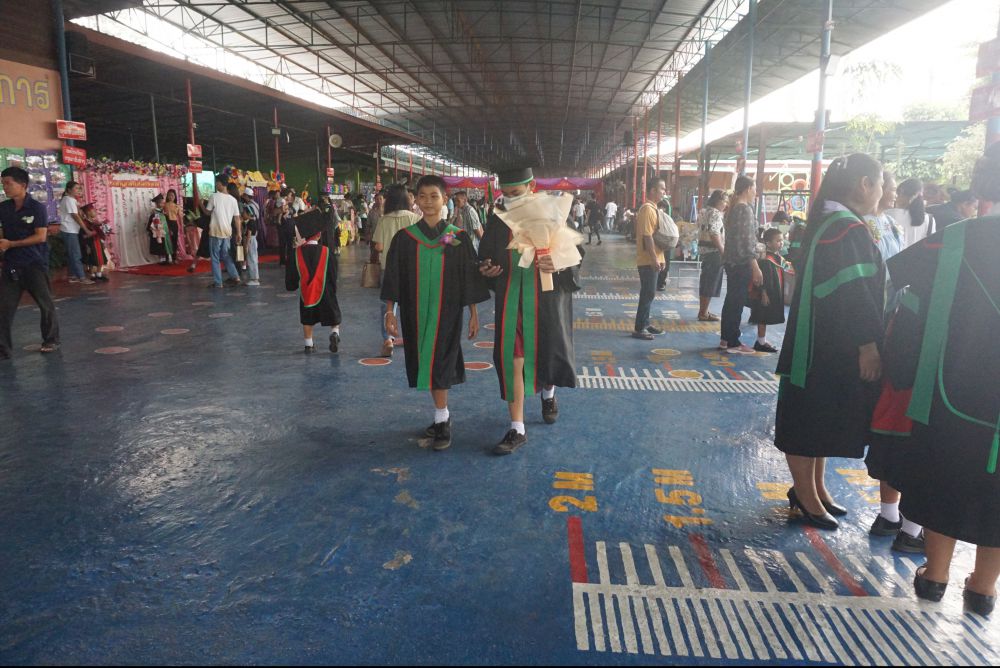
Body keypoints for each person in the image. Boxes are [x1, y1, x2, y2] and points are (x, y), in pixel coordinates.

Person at [872, 143, 1000, 616]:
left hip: (951, 390)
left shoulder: (955, 239)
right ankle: (983, 588)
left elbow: (901, 282)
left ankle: (936, 576)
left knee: (945, 478)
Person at [774, 153, 885, 531]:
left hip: (823, 339)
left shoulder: (831, 223)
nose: (882, 192)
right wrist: (867, 344)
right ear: (864, 184)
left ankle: (816, 488)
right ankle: (804, 494)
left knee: (819, 416)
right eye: (879, 184)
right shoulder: (845, 229)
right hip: (825, 343)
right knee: (808, 419)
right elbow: (855, 292)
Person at [381, 175, 489, 452]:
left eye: (434, 196)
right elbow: (393, 277)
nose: (428, 202)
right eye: (423, 196)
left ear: (445, 200)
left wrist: (474, 313)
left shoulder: (454, 238)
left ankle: (442, 419)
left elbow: (467, 275)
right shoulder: (406, 239)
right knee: (425, 360)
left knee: (441, 359)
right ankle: (442, 415)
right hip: (414, 312)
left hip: (447, 311)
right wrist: (389, 312)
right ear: (415, 200)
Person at [478, 167, 582, 455]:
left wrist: (559, 264)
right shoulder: (499, 218)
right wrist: (486, 268)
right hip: (511, 299)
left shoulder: (553, 212)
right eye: (505, 193)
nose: (510, 198)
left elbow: (575, 256)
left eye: (515, 192)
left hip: (546, 299)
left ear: (532, 185)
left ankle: (548, 393)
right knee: (513, 358)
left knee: (547, 349)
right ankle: (517, 427)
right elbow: (485, 255)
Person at [0, 166, 60, 357]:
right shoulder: (4, 208)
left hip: (34, 263)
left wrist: (11, 244)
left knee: (45, 303)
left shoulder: (36, 208)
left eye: (8, 183)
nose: (5, 187)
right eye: (3, 184)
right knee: (4, 307)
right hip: (11, 265)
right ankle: (3, 348)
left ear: (23, 185)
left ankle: (51, 339)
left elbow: (40, 236)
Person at [373, 185, 421, 358]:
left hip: (389, 268)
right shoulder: (415, 218)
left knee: (387, 305)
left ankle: (388, 339)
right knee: (411, 303)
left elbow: (379, 246)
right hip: (411, 268)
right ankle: (413, 337)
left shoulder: (383, 220)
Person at [285, 209, 341, 354]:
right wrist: (333, 289)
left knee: (307, 318)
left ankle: (309, 344)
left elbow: (291, 279)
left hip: (307, 293)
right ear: (319, 234)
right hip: (326, 291)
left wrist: (292, 285)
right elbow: (333, 274)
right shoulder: (327, 252)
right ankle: (335, 333)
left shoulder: (296, 253)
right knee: (333, 315)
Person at [720, 176, 763, 354]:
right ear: (747, 189)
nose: (755, 193)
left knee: (731, 300)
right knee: (736, 302)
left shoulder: (733, 208)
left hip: (731, 261)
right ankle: (733, 342)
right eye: (754, 188)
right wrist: (756, 267)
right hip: (741, 262)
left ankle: (726, 338)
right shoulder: (744, 209)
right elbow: (747, 242)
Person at [632, 181, 667, 340]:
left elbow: (656, 236)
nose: (664, 192)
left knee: (650, 293)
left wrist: (661, 257)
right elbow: (647, 236)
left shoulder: (654, 209)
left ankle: (645, 324)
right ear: (653, 190)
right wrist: (654, 258)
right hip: (647, 260)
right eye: (662, 188)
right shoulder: (647, 209)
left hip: (653, 258)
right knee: (648, 293)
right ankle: (640, 328)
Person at [747, 228, 790, 353]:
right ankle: (760, 342)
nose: (781, 243)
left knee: (765, 317)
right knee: (762, 317)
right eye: (778, 241)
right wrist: (764, 293)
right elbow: (762, 279)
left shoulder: (777, 257)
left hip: (772, 292)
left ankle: (761, 341)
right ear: (768, 243)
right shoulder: (766, 260)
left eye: (782, 240)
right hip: (765, 294)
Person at [203, 177, 242, 288]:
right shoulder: (233, 200)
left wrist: (201, 204)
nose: (216, 185)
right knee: (226, 255)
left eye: (217, 183)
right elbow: (237, 218)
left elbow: (207, 212)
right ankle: (235, 276)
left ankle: (218, 282)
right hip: (227, 232)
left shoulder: (214, 196)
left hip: (215, 231)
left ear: (220, 184)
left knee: (215, 257)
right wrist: (238, 233)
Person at [696, 189, 727, 322]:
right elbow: (714, 233)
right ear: (719, 201)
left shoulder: (704, 211)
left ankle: (704, 311)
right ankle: (703, 313)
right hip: (714, 252)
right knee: (710, 283)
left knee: (706, 282)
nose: (726, 204)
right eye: (725, 201)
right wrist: (722, 251)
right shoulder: (715, 213)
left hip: (705, 251)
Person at [58, 180, 93, 284]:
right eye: (76, 188)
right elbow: (75, 216)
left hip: (70, 230)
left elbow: (78, 214)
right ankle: (81, 277)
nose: (79, 190)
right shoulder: (69, 200)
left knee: (72, 254)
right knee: (76, 254)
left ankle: (72, 276)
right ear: (69, 190)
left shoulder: (70, 200)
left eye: (80, 189)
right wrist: (86, 229)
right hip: (69, 230)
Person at [887, 178, 935, 249]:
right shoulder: (930, 220)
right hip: (917, 256)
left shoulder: (887, 215)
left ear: (901, 192)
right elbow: (931, 246)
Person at [79, 203, 110, 282]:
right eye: (93, 210)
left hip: (98, 243)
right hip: (90, 244)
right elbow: (83, 236)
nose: (95, 212)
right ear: (88, 212)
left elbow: (99, 233)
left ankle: (99, 274)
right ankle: (92, 275)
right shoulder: (84, 223)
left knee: (100, 259)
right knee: (91, 259)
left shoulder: (95, 222)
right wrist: (87, 245)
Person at [654, 199, 677, 291]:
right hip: (666, 243)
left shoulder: (658, 215)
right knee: (664, 263)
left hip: (659, 242)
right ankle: (660, 282)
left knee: (662, 263)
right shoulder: (667, 217)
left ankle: (659, 282)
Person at [240, 187, 261, 286]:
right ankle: (254, 278)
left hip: (251, 239)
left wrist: (246, 245)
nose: (242, 215)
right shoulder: (256, 205)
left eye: (244, 213)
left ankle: (254, 279)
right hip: (253, 237)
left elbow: (249, 234)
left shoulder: (250, 221)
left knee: (252, 259)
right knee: (253, 258)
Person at [147, 194, 174, 265]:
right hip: (159, 233)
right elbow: (152, 224)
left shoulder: (164, 213)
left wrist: (170, 229)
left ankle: (168, 259)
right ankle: (162, 260)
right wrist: (153, 231)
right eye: (161, 203)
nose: (162, 204)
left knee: (167, 245)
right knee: (160, 246)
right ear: (157, 204)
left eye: (163, 203)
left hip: (166, 232)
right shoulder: (154, 213)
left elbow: (168, 222)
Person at [163, 189, 183, 264]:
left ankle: (174, 258)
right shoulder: (165, 205)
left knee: (174, 241)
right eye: (169, 195)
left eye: (172, 195)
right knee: (167, 241)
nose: (171, 197)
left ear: (175, 197)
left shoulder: (177, 206)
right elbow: (162, 214)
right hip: (167, 223)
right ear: (167, 196)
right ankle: (167, 258)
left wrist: (181, 226)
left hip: (174, 224)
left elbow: (180, 217)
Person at [183, 197, 203, 273]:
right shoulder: (195, 211)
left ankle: (194, 256)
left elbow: (186, 222)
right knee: (196, 243)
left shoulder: (188, 212)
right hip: (195, 229)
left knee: (192, 243)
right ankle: (195, 256)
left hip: (191, 229)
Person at [277, 188, 295, 266]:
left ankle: (290, 260)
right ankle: (282, 261)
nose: (291, 196)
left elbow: (294, 214)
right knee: (283, 244)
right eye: (290, 195)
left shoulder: (291, 205)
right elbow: (278, 212)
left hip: (290, 227)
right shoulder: (281, 202)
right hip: (283, 227)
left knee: (290, 244)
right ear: (286, 195)